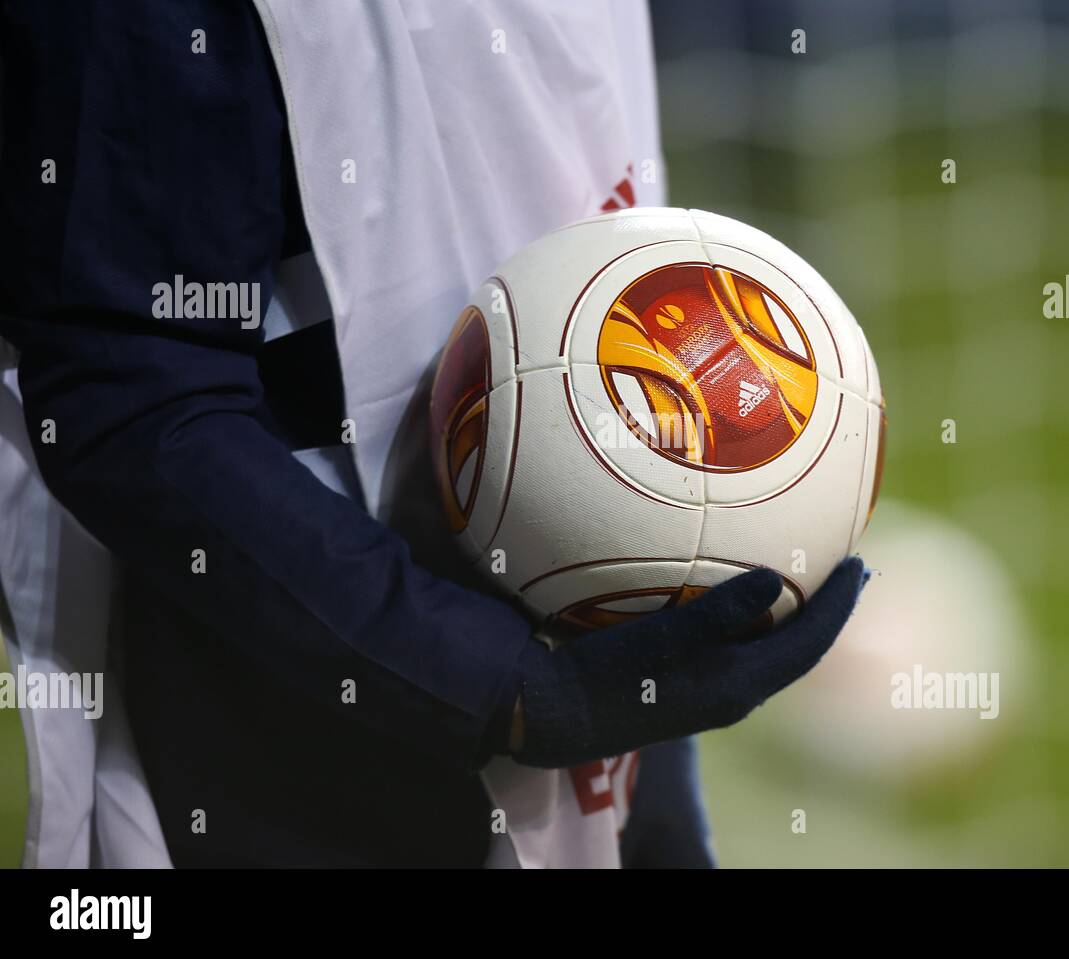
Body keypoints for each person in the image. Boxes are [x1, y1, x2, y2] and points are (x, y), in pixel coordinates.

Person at [0, 0, 866, 868]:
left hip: (597, 694)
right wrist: (504, 687)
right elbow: (132, 392)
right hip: (289, 736)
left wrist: (664, 563)